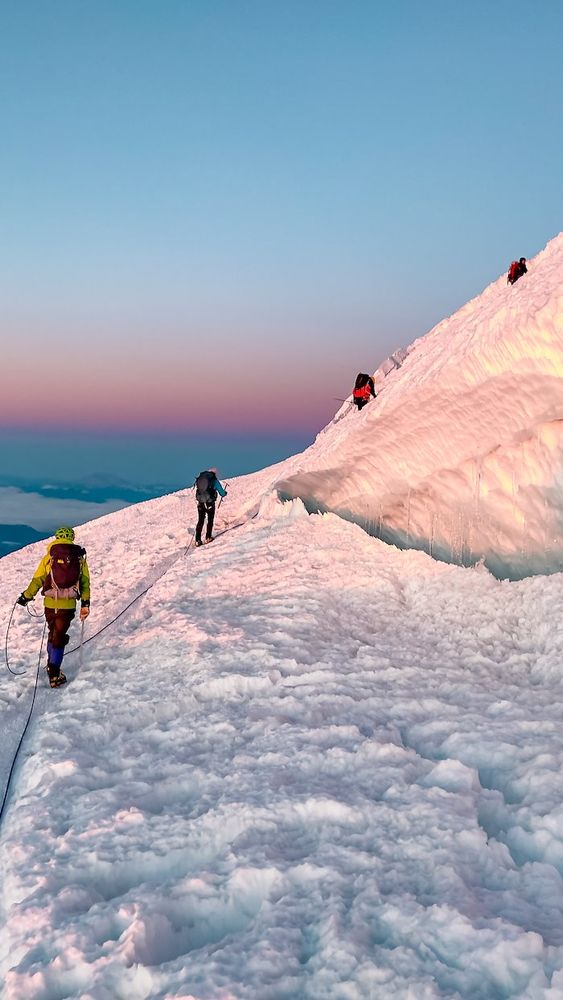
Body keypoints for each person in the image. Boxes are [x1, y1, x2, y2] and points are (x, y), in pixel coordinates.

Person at [16, 526, 90, 687]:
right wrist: (85, 603)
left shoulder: (49, 557)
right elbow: (85, 582)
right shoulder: (79, 558)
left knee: (53, 632)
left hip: (50, 604)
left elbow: (38, 579)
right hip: (68, 604)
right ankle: (54, 672)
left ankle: (52, 665)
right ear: (72, 538)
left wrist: (26, 597)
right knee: (60, 634)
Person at [194, 470, 227, 546]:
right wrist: (224, 493)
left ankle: (197, 540)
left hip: (201, 503)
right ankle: (208, 537)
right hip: (210, 503)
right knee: (210, 520)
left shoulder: (201, 480)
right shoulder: (214, 481)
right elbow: (222, 493)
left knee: (200, 520)